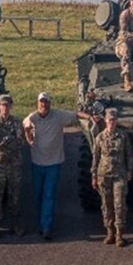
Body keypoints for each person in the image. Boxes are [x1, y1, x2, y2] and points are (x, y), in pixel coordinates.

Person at [23, 91, 92, 240]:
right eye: (41, 102)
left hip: (53, 163)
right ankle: (42, 222)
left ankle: (47, 227)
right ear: (37, 104)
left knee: (49, 195)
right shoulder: (32, 118)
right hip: (37, 162)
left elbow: (75, 115)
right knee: (38, 194)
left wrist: (90, 117)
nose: (44, 104)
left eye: (46, 102)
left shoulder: (58, 116)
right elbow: (26, 127)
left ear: (50, 103)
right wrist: (29, 139)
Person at [92, 107, 133, 247]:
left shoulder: (123, 136)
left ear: (116, 121)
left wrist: (129, 170)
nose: (111, 122)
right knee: (106, 204)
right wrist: (94, 175)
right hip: (104, 175)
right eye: (109, 120)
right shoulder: (100, 137)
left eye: (114, 120)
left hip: (119, 174)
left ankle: (120, 234)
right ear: (105, 120)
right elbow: (95, 157)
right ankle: (110, 232)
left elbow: (129, 154)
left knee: (119, 204)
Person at [0, 94, 24, 239]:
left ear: (11, 106)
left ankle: (15, 224)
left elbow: (20, 142)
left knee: (15, 197)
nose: (5, 107)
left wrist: (4, 141)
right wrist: (9, 139)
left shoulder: (16, 122)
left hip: (14, 165)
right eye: (3, 105)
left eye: (7, 105)